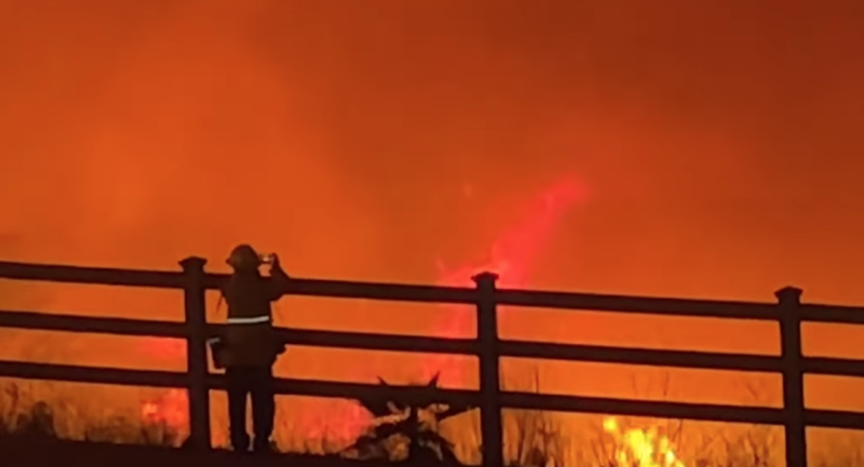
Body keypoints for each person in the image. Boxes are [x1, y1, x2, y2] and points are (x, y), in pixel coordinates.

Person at [216, 244, 291, 453]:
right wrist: (275, 268)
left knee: (237, 403)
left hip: (235, 356)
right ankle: (261, 442)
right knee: (262, 402)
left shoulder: (229, 287)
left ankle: (239, 442)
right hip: (259, 356)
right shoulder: (261, 287)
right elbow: (283, 285)